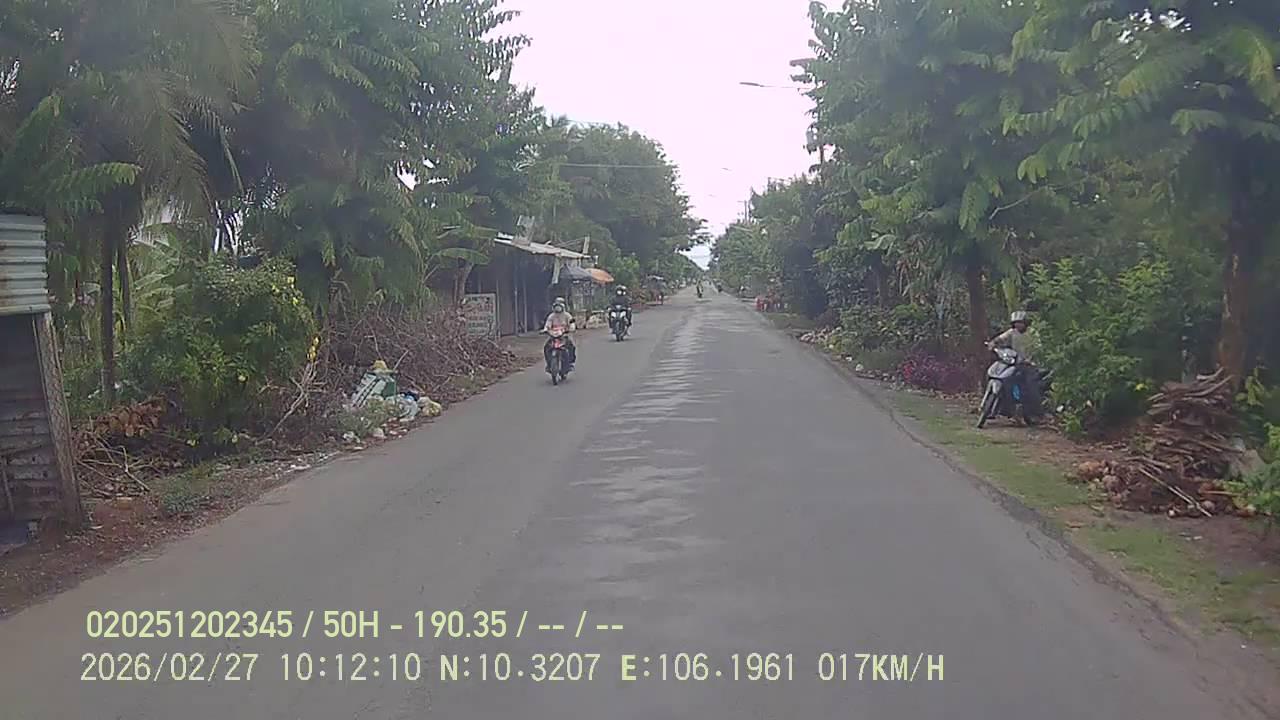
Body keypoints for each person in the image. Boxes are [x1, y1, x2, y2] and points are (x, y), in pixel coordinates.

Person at [988, 311, 1042, 417]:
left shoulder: (1032, 333)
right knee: (1004, 379)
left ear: (1025, 323)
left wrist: (1030, 358)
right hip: (1014, 363)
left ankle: (1036, 412)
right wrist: (993, 343)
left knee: (1030, 386)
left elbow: (1038, 347)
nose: (1018, 325)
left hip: (1029, 364)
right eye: (1016, 323)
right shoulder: (1012, 332)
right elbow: (1000, 338)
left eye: (1020, 322)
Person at [542, 297, 577, 370]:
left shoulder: (567, 315)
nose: (558, 308)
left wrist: (571, 328)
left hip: (564, 335)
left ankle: (570, 362)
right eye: (557, 305)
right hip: (553, 335)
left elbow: (572, 323)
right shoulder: (551, 316)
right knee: (546, 347)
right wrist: (545, 329)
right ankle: (549, 364)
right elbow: (548, 324)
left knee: (571, 346)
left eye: (560, 305)